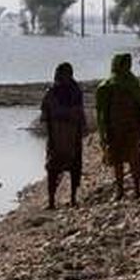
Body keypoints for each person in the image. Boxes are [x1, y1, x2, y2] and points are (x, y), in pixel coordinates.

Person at [95, 53, 140, 200]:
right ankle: (126, 190)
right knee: (122, 160)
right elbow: (103, 110)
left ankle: (130, 190)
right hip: (122, 128)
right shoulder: (129, 83)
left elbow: (137, 107)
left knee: (127, 160)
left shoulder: (110, 85)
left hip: (124, 128)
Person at [40, 62, 86, 209]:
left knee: (53, 168)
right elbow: (80, 115)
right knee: (73, 167)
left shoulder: (51, 92)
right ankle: (72, 199)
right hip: (73, 137)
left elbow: (45, 115)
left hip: (56, 137)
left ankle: (52, 202)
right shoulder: (76, 91)